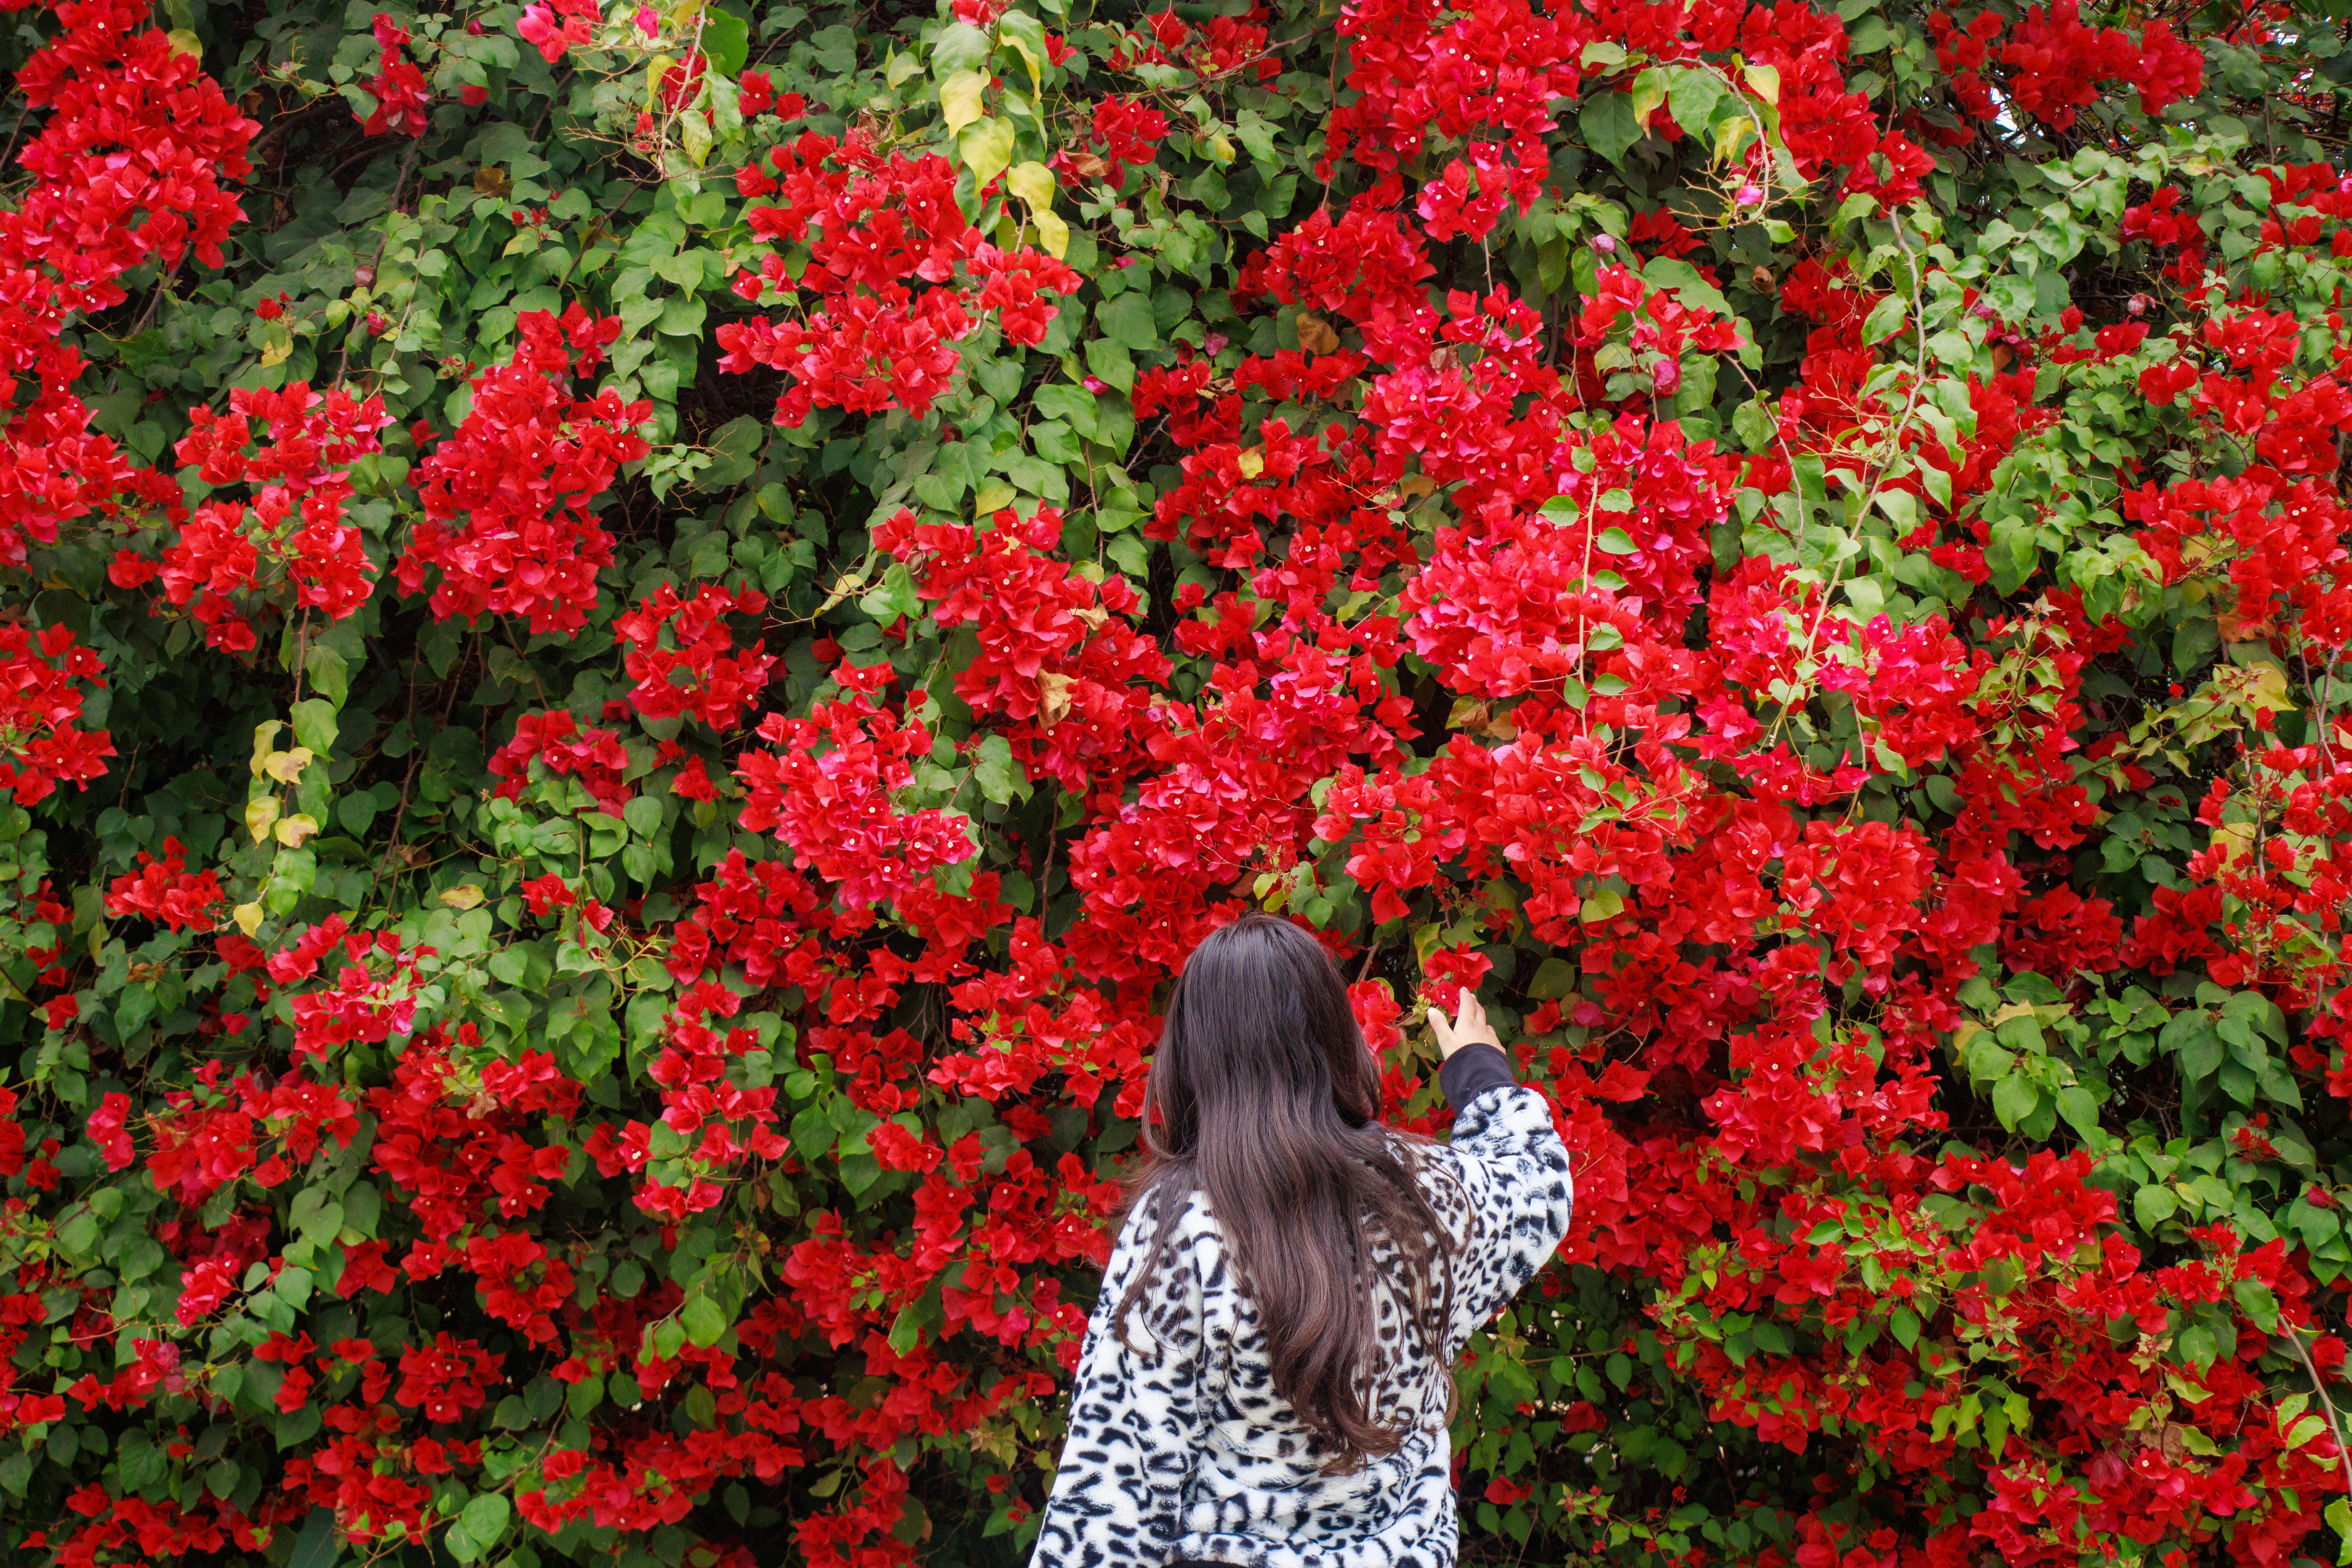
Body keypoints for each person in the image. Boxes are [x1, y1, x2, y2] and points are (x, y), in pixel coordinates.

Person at [1031, 913, 1575, 1568]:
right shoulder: (1430, 1196)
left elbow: (1111, 1493)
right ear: (1335, 1038)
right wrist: (1478, 1073)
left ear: (1193, 1054)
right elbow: (1536, 1188)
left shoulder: (1187, 1227)